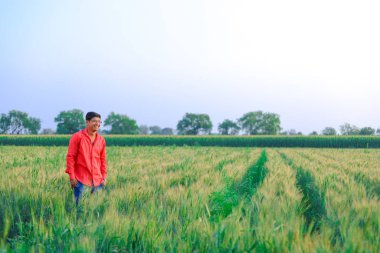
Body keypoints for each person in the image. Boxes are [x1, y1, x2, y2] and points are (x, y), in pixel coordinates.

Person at [66, 111, 107, 205]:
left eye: (99, 121)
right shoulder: (77, 137)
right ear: (87, 122)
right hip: (81, 181)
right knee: (80, 210)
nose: (97, 124)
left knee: (95, 210)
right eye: (94, 121)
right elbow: (70, 157)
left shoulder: (101, 140)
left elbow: (102, 160)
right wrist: (72, 177)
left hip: (98, 182)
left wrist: (104, 177)